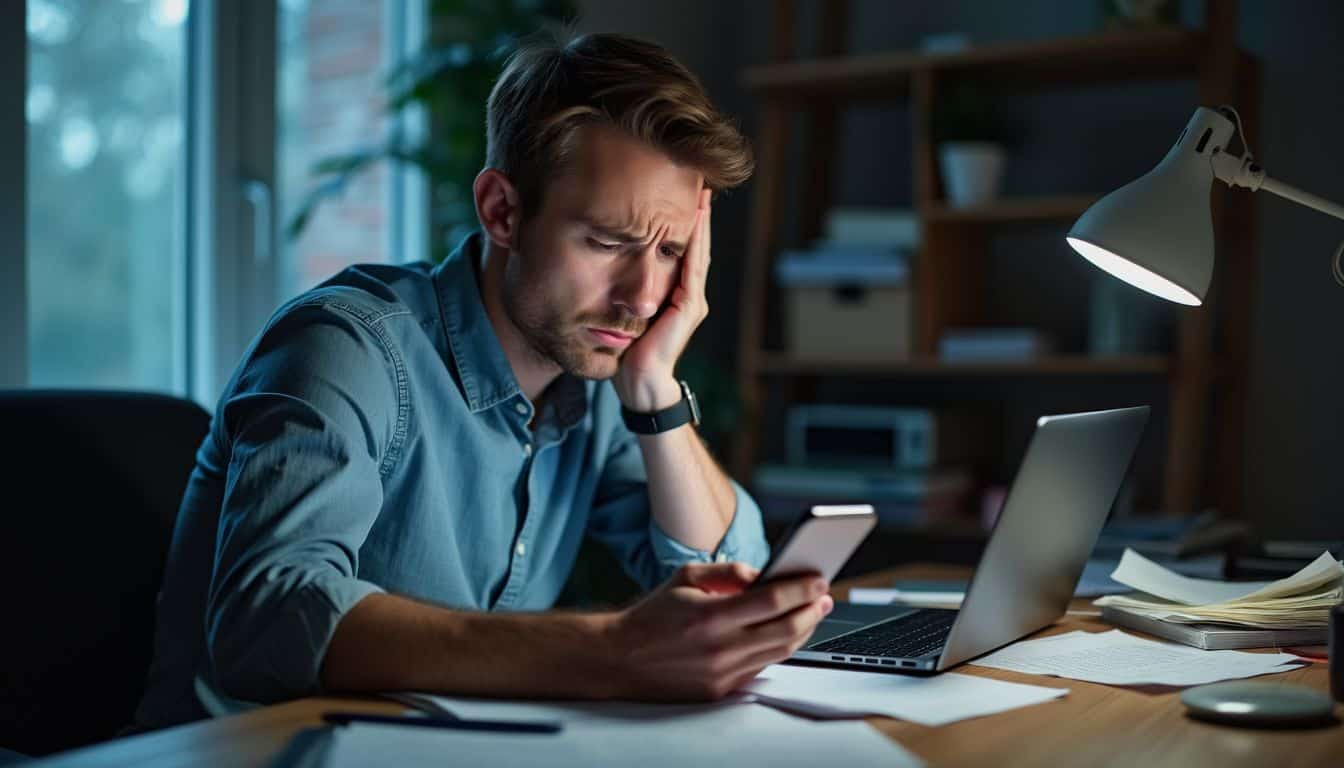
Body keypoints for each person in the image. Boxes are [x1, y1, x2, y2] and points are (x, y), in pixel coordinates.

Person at [132, 32, 834, 732]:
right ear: (502, 210)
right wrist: (610, 650)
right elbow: (271, 618)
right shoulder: (345, 346)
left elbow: (729, 575)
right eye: (607, 242)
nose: (644, 296)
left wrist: (654, 393)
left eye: (670, 250)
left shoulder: (595, 378)